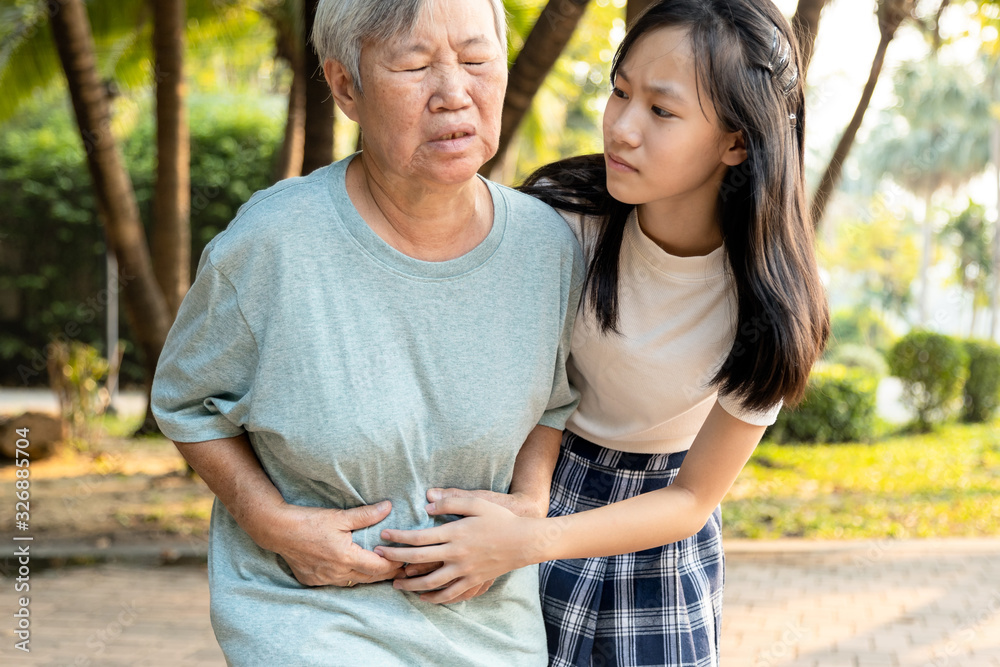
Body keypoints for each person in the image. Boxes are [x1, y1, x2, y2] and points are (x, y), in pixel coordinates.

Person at [375, 0, 831, 665]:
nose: (621, 127)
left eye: (661, 110)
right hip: (520, 484)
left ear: (736, 141)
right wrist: (525, 516)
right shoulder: (560, 219)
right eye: (620, 92)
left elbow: (692, 497)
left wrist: (529, 541)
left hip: (656, 530)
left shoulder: (774, 300)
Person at [150, 0, 583, 663]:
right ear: (346, 86)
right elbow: (186, 401)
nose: (454, 92)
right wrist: (268, 520)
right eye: (414, 65)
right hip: (308, 611)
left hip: (490, 623)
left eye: (477, 60)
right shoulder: (272, 243)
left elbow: (553, 400)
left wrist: (528, 508)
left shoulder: (547, 246)